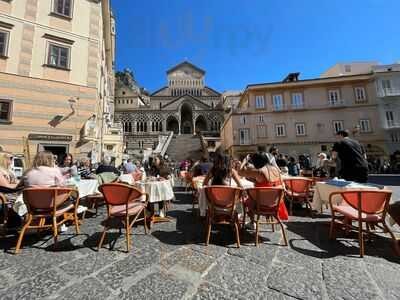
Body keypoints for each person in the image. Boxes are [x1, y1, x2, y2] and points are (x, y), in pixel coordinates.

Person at [237, 152, 289, 226]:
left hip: (261, 204)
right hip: (275, 203)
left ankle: (252, 223)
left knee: (246, 200)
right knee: (251, 198)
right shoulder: (276, 169)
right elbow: (269, 182)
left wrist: (244, 161)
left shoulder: (259, 171)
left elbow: (240, 172)